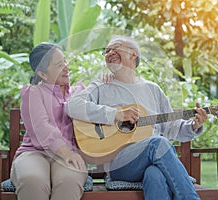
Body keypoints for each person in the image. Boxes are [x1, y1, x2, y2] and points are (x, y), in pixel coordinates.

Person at [66, 35, 208, 200]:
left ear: (134, 54)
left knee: (155, 175)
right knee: (158, 143)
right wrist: (115, 114)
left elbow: (171, 128)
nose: (110, 52)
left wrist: (193, 126)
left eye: (115, 47)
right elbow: (73, 105)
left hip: (151, 160)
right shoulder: (101, 86)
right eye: (107, 51)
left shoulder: (152, 89)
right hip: (120, 164)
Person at [10, 43, 89, 200]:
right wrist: (66, 152)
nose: (66, 67)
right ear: (43, 74)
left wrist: (108, 81)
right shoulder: (33, 93)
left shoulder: (79, 93)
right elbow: (41, 128)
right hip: (34, 153)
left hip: (69, 156)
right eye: (60, 65)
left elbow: (101, 109)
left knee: (68, 181)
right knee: (32, 180)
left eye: (65, 61)